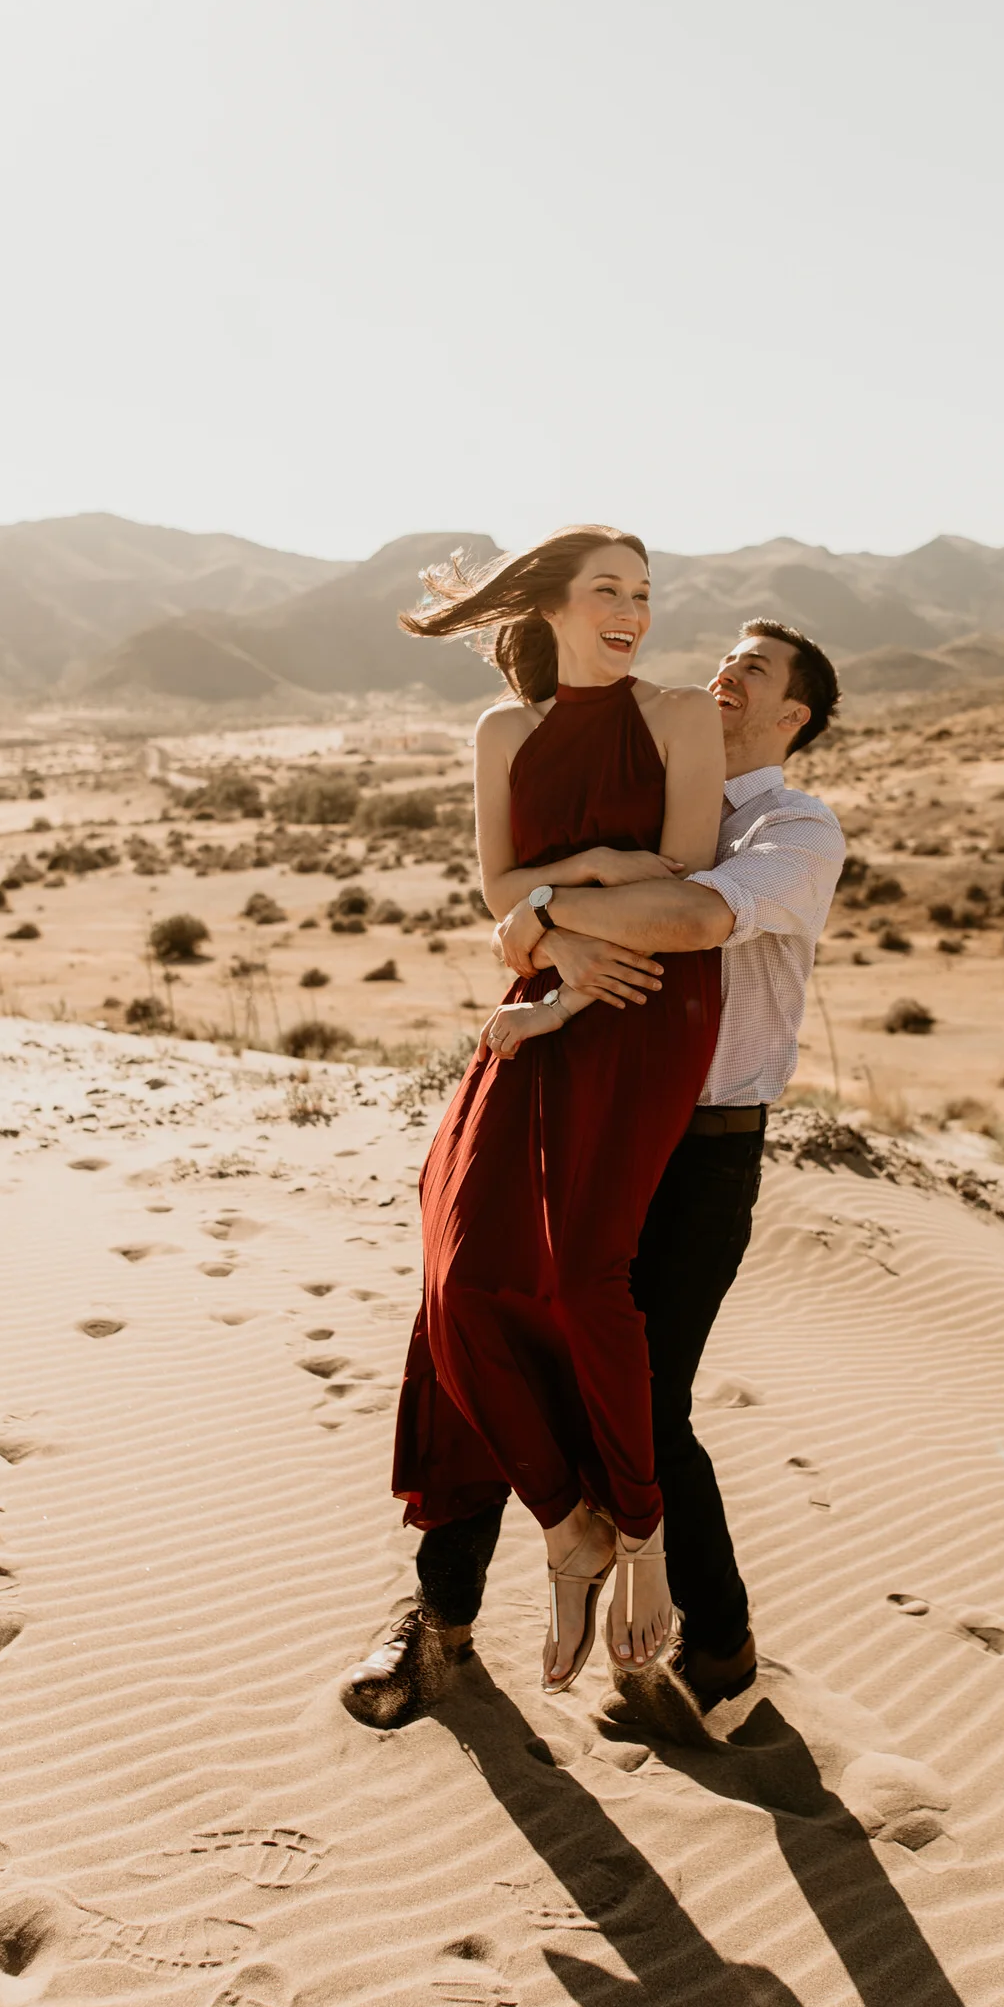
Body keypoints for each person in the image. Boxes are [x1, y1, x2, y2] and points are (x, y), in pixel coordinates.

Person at [343, 615, 845, 1735]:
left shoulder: (794, 827)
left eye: (752, 672)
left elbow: (694, 914)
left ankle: (717, 1652)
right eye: (720, 659)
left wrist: (554, 908)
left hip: (698, 1153)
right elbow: (504, 933)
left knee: (649, 1401)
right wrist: (535, 923)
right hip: (575, 1121)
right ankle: (438, 1616)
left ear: (794, 716)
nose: (723, 676)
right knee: (483, 1339)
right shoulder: (653, 791)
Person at [386, 525, 727, 1695]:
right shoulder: (504, 732)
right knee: (461, 1275)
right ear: (551, 605)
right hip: (548, 990)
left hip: (647, 999)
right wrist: (568, 906)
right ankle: (565, 1522)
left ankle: (640, 1537)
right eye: (608, 591)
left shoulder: (682, 716)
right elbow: (494, 887)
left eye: (644, 591)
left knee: (585, 1271)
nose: (633, 609)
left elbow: (680, 873)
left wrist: (552, 904)